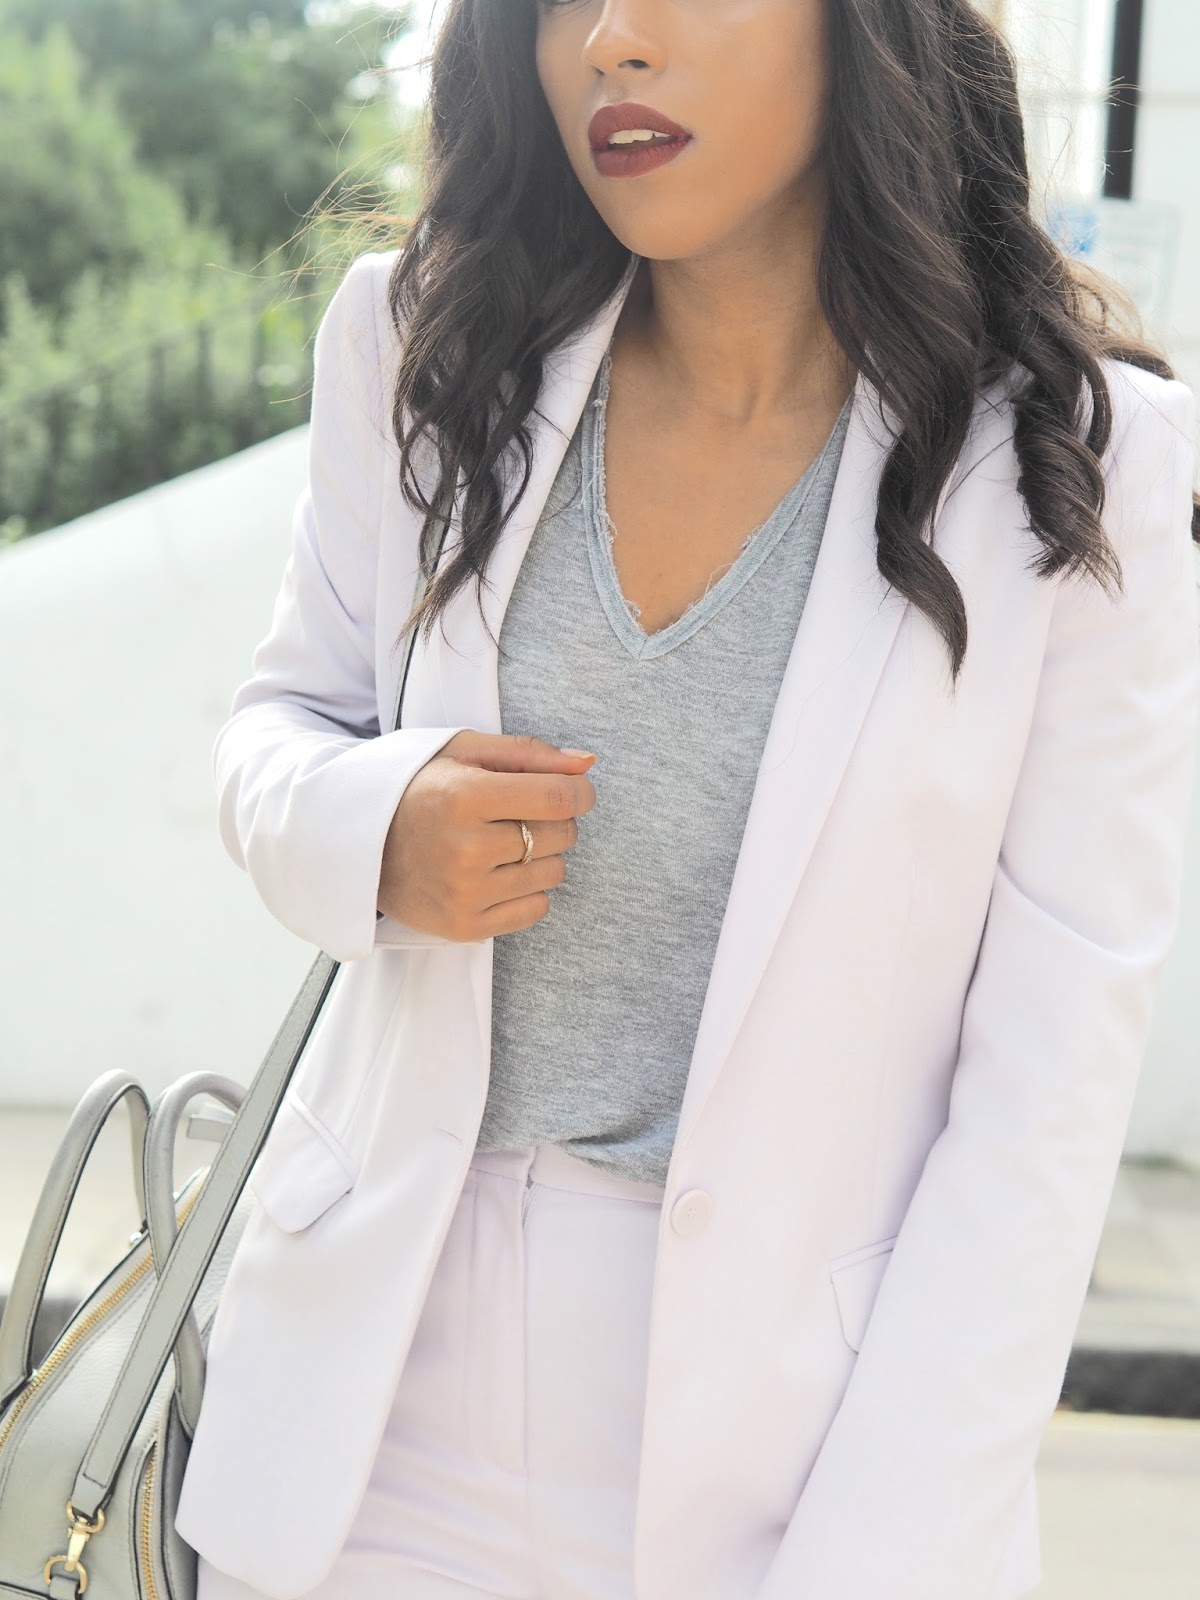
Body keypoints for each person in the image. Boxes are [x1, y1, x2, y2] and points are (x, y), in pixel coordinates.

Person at [175, 1, 1200, 1597]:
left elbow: (1045, 1095)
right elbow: (277, 729)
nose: (610, 40)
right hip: (373, 1418)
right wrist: (375, 825)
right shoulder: (424, 345)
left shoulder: (1081, 466)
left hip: (787, 1448)